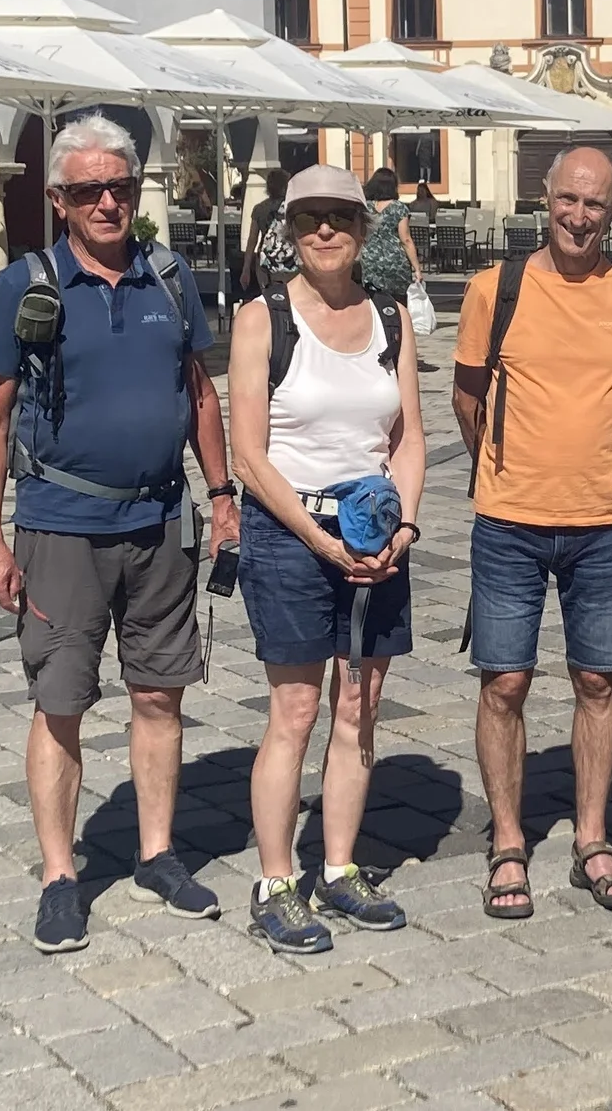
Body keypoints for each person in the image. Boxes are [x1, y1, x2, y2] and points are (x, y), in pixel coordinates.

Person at [0, 114, 236, 954]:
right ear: (59, 200)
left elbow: (199, 391)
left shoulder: (169, 278)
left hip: (161, 520)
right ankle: (60, 875)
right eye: (89, 191)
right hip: (61, 525)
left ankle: (157, 853)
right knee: (61, 703)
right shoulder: (27, 283)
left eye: (120, 187)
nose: (109, 202)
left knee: (160, 694)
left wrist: (222, 492)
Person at [453, 148, 612, 920]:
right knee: (504, 680)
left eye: (596, 205)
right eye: (568, 202)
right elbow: (467, 397)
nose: (579, 217)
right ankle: (508, 841)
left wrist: (595, 463)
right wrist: (510, 469)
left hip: (601, 523)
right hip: (507, 520)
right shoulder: (494, 289)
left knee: (597, 681)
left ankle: (592, 838)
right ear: (545, 202)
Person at [227, 166, 426, 952]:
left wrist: (403, 527)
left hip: (377, 535)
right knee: (297, 711)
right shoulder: (261, 318)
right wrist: (320, 541)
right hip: (291, 535)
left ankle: (339, 868)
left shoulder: (390, 317)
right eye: (308, 216)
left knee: (359, 707)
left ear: (362, 224)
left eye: (339, 215)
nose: (324, 230)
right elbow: (248, 453)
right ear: (290, 226)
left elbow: (407, 436)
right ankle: (278, 879)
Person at [359, 167, 423, 306]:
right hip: (395, 260)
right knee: (398, 303)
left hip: (370, 259)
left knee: (374, 301)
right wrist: (416, 268)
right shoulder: (399, 208)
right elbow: (405, 239)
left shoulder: (366, 208)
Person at [238, 169, 291, 303]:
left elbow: (252, 240)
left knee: (269, 299)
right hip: (291, 261)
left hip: (265, 262)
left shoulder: (259, 209)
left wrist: (246, 269)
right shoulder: (291, 207)